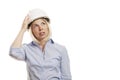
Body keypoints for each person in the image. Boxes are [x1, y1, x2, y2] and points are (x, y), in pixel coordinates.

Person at [9, 8, 72, 80]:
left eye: (43, 23)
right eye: (36, 26)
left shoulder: (61, 49)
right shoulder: (27, 49)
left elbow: (66, 77)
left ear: (47, 26)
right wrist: (23, 29)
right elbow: (13, 52)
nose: (41, 28)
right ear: (31, 30)